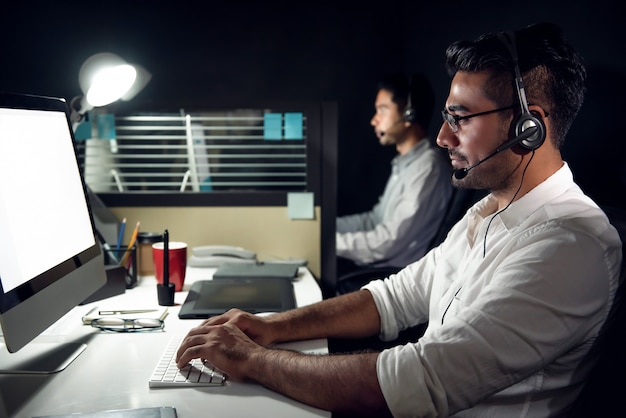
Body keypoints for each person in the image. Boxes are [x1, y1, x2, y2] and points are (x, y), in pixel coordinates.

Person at [176, 22, 622, 417]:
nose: (443, 136)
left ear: (530, 126)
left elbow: (418, 380)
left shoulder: (570, 244)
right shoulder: (489, 211)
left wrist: (252, 360)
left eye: (460, 118)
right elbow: (394, 297)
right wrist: (273, 326)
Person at [336, 73, 453, 280]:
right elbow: (375, 219)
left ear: (409, 114)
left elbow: (387, 243)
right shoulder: (407, 164)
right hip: (377, 272)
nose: (374, 120)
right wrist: (326, 227)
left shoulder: (427, 168)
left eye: (382, 110)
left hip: (392, 278)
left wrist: (326, 241)